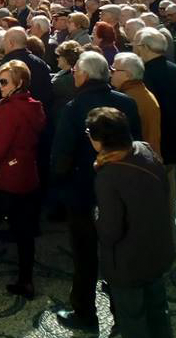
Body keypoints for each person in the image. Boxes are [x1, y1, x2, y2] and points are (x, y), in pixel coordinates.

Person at [51, 51, 142, 332]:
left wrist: (60, 184)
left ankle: (85, 312)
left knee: (85, 255)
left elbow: (61, 154)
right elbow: (136, 143)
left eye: (76, 70)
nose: (74, 75)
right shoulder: (126, 103)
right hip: (120, 188)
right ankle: (123, 316)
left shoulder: (75, 106)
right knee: (118, 252)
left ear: (85, 74)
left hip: (83, 192)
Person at [90, 107, 175, 338]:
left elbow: (110, 230)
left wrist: (96, 215)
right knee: (158, 309)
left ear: (100, 140)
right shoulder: (143, 149)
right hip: (157, 247)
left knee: (132, 317)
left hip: (128, 259)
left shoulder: (109, 175)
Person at [0, 61, 45, 300]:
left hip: (5, 177)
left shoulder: (9, 109)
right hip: (28, 175)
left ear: (19, 83)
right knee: (24, 232)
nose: (0, 87)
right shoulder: (35, 106)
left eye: (4, 82)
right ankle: (26, 280)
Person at [133, 28, 176, 235]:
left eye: (137, 45)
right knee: (169, 191)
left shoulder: (145, 76)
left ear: (146, 48)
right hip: (174, 143)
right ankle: (168, 235)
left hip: (154, 142)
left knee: (150, 194)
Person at [110, 52, 161, 157]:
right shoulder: (140, 91)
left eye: (113, 70)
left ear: (127, 75)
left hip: (138, 159)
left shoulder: (129, 99)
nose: (110, 73)